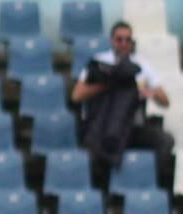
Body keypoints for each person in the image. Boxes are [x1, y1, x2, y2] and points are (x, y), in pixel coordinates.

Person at [73, 21, 174, 182]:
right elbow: (77, 95)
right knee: (91, 153)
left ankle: (148, 183)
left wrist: (151, 92)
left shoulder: (141, 65)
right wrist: (108, 84)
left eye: (128, 40)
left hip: (132, 128)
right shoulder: (99, 62)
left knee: (165, 140)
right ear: (112, 40)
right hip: (103, 128)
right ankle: (105, 191)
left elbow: (165, 101)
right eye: (119, 39)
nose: (124, 44)